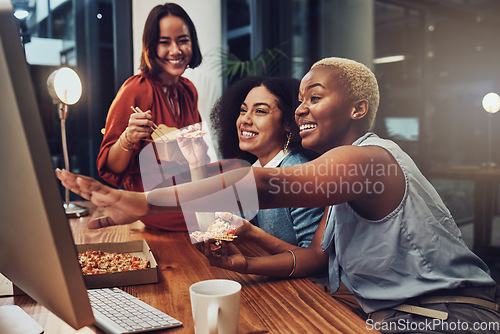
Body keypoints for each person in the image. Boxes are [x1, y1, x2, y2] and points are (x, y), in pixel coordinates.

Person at [57, 57, 499, 332]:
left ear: (358, 109)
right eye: (300, 99)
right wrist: (246, 263)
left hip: (450, 316)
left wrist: (144, 201)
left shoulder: (368, 159)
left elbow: (268, 186)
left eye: (315, 97)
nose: (301, 107)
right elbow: (315, 258)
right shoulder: (339, 177)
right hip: (400, 314)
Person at [96, 3, 203, 231]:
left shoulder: (188, 90)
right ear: (150, 47)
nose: (176, 50)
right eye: (164, 42)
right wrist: (128, 137)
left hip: (187, 199)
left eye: (183, 40)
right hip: (157, 210)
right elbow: (111, 168)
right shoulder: (135, 89)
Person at [203, 76, 322, 247]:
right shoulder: (255, 170)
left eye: (260, 111)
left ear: (289, 122)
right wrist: (195, 158)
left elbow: (314, 258)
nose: (245, 119)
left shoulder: (298, 175)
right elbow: (221, 224)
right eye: (243, 110)